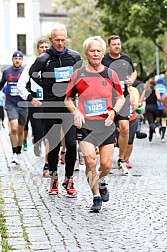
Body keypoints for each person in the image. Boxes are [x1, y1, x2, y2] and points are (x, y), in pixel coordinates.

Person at [65, 36, 125, 212]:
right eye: (92, 50)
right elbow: (68, 100)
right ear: (86, 53)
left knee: (105, 165)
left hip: (106, 125)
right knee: (90, 162)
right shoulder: (78, 74)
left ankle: (103, 180)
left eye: (99, 50)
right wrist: (75, 111)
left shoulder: (110, 73)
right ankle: (96, 196)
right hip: (86, 125)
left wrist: (114, 111)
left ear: (103, 52)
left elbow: (121, 97)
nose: (96, 54)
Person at [29, 25, 82, 195]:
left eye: (63, 39)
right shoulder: (43, 59)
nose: (60, 43)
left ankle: (69, 179)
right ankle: (54, 179)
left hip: (69, 106)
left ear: (66, 39)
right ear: (51, 39)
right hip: (51, 106)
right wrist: (47, 87)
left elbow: (80, 76)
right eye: (57, 40)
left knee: (72, 144)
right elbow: (33, 73)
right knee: (53, 145)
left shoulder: (74, 56)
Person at [102, 35, 137, 175]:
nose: (117, 46)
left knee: (125, 128)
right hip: (107, 99)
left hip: (123, 97)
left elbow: (133, 72)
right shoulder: (103, 59)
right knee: (107, 129)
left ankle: (121, 160)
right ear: (109, 46)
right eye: (114, 44)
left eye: (119, 44)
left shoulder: (126, 58)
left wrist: (131, 80)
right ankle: (106, 160)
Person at [17, 38, 50, 176]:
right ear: (38, 49)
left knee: (50, 134)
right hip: (35, 103)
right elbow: (20, 85)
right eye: (41, 47)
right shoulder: (31, 64)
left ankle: (48, 165)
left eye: (46, 46)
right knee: (39, 135)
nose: (44, 49)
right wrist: (30, 98)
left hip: (50, 102)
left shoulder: (54, 64)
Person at [0, 51, 28, 164]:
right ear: (12, 60)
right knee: (14, 128)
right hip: (11, 104)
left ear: (22, 60)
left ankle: (19, 151)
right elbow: (1, 84)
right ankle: (14, 153)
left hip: (23, 104)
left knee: (21, 131)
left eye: (19, 58)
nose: (17, 60)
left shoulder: (25, 72)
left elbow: (30, 86)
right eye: (15, 58)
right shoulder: (7, 72)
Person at [154, 76, 167, 143]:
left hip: (157, 106)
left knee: (157, 120)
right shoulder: (165, 88)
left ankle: (158, 128)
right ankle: (163, 137)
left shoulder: (155, 87)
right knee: (164, 121)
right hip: (164, 107)